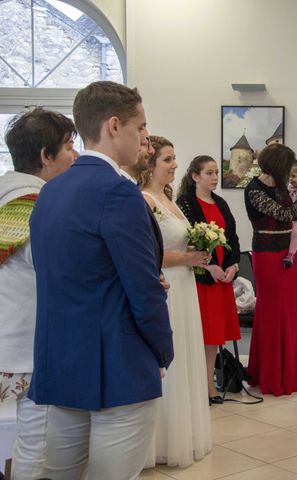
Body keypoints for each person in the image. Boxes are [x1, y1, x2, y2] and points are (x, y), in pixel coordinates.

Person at [28, 81, 174, 480]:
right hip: (117, 363)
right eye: (140, 127)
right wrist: (161, 351)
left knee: (60, 474)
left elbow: (67, 276)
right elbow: (143, 288)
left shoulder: (50, 192)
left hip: (62, 360)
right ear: (114, 126)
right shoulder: (118, 192)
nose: (145, 137)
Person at [0, 108, 76, 480]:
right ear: (45, 156)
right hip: (25, 344)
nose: (74, 155)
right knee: (35, 442)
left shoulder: (6, 194)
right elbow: (57, 270)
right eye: (68, 146)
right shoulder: (36, 203)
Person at [140, 136, 212, 467]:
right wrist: (188, 258)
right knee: (170, 362)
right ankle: (159, 442)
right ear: (150, 163)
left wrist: (197, 255)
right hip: (168, 287)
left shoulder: (168, 199)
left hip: (185, 285)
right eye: (167, 159)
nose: (174, 165)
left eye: (174, 159)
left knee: (185, 357)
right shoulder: (144, 200)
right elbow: (148, 255)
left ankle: (184, 433)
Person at [244, 143, 297, 396]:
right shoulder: (253, 189)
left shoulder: (282, 186)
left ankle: (294, 374)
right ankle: (273, 376)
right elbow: (284, 213)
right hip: (267, 256)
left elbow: (294, 216)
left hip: (289, 254)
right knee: (273, 313)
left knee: (293, 311)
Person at [176, 155, 241, 403]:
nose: (215, 177)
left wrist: (232, 265)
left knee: (213, 337)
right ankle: (195, 386)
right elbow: (187, 242)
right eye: (209, 173)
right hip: (200, 278)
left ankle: (209, 386)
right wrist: (210, 266)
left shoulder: (220, 202)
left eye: (216, 173)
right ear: (195, 176)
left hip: (220, 280)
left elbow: (232, 237)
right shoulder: (186, 203)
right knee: (197, 334)